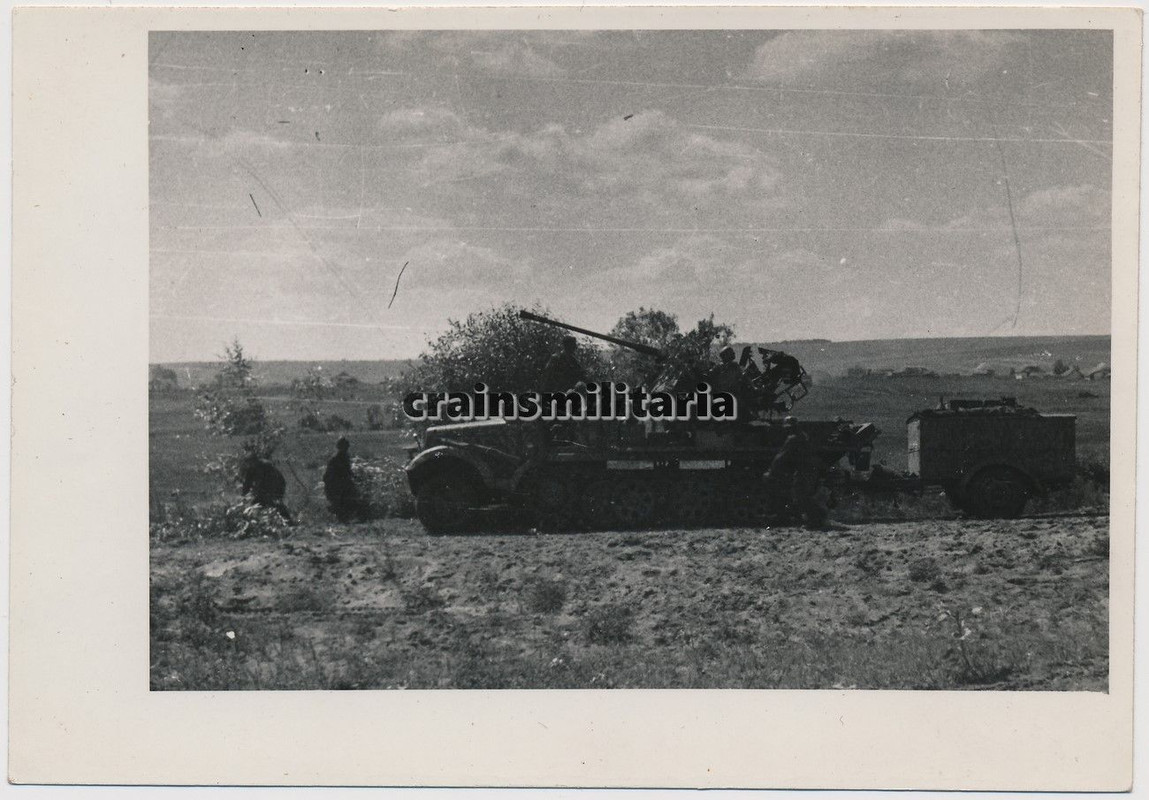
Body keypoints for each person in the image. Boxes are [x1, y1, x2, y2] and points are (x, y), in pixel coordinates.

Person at [765, 416, 827, 529]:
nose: (788, 429)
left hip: (804, 469)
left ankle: (816, 518)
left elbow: (781, 457)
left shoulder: (793, 438)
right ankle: (817, 515)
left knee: (800, 494)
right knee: (801, 493)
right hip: (808, 468)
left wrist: (770, 471)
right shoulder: (802, 435)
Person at [239, 453, 292, 522]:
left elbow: (270, 481)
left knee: (274, 503)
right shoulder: (251, 469)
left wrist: (262, 494)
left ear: (256, 461)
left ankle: (288, 521)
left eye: (251, 462)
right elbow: (247, 483)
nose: (250, 464)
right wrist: (243, 496)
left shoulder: (265, 466)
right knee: (259, 503)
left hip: (277, 484)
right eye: (248, 463)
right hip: (266, 487)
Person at [323, 436, 361, 523]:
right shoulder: (336, 459)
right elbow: (330, 475)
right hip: (336, 485)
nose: (346, 449)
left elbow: (348, 472)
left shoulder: (344, 457)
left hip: (342, 484)